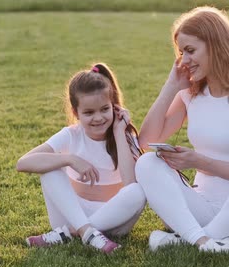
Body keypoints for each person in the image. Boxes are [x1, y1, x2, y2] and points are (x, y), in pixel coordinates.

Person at [135, 6, 229, 256]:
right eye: (181, 52)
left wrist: (199, 161)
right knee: (147, 162)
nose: (184, 60)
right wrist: (171, 86)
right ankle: (208, 241)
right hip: (204, 207)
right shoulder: (189, 94)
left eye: (191, 50)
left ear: (216, 46)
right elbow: (147, 141)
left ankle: (189, 239)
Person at [16, 63, 146, 254]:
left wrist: (119, 132)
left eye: (104, 109)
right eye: (89, 113)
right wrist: (70, 159)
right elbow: (23, 163)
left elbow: (129, 184)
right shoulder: (71, 135)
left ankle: (70, 233)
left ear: (114, 106)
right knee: (50, 168)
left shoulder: (125, 136)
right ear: (76, 113)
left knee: (137, 191)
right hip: (72, 214)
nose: (98, 118)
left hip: (114, 222)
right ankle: (87, 232)